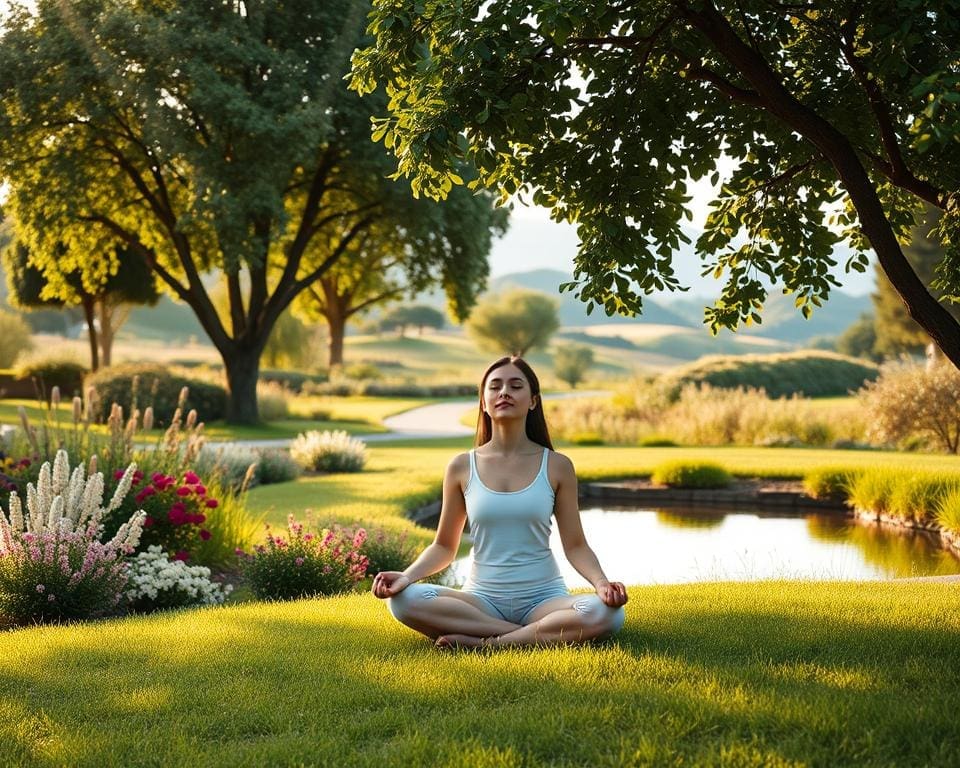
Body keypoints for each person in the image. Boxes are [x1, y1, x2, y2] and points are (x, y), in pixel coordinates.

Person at [372, 355, 627, 649]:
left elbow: (576, 546)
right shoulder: (461, 466)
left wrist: (601, 584)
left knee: (606, 613)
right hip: (480, 601)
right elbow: (443, 547)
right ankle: (532, 634)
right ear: (483, 402)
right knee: (402, 601)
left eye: (515, 386)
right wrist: (406, 577)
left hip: (544, 600)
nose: (504, 392)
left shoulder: (557, 466)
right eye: (495, 387)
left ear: (533, 401)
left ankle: (487, 644)